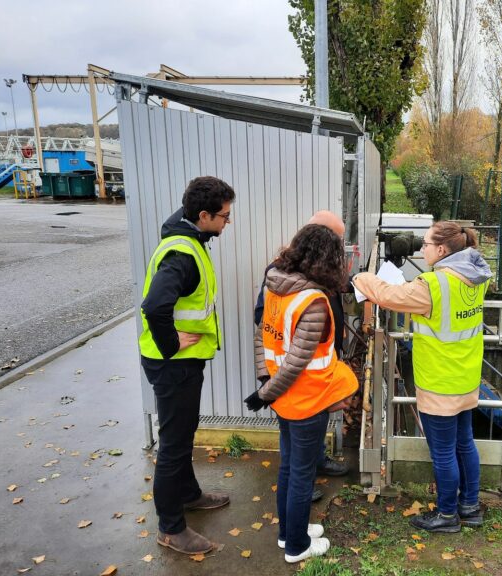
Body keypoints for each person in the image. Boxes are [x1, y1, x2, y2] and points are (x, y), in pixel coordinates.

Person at [353, 221, 491, 533]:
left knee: (443, 452)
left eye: (426, 244)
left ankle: (446, 515)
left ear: (442, 250)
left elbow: (389, 295)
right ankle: (469, 506)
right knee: (464, 443)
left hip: (439, 382)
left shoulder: (433, 285)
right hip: (466, 377)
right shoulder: (476, 277)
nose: (421, 247)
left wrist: (362, 277)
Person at [245, 224, 359, 562]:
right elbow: (296, 362)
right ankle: (297, 546)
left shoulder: (276, 287)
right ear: (328, 259)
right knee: (301, 475)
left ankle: (288, 533)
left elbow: (261, 337)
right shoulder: (313, 301)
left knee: (289, 467)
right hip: (307, 399)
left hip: (284, 398)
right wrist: (265, 393)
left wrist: (265, 383)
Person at [139, 176, 235, 555]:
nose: (228, 223)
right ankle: (171, 527)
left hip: (182, 364)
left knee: (183, 432)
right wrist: (171, 342)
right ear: (203, 215)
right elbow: (154, 306)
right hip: (173, 364)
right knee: (174, 445)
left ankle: (190, 494)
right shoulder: (181, 254)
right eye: (224, 217)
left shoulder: (189, 236)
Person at [253, 210, 350, 493]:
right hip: (294, 374)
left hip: (313, 366)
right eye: (337, 240)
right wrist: (266, 384)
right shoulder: (282, 272)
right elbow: (264, 320)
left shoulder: (315, 268)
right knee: (296, 453)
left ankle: (314, 464)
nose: (340, 247)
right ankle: (303, 488)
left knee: (304, 442)